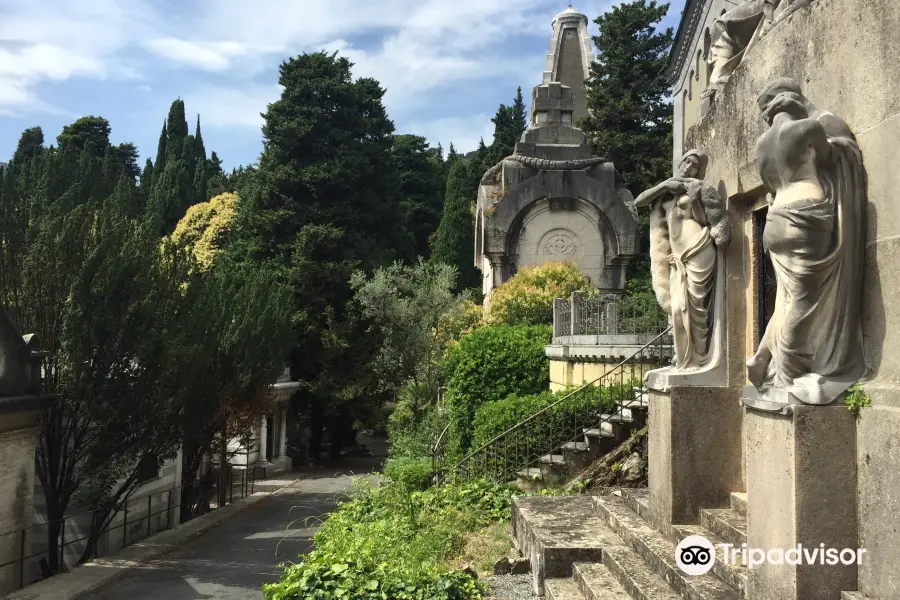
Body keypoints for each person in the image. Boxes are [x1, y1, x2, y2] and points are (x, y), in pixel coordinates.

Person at [747, 77, 865, 405]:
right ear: (794, 101)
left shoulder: (761, 145)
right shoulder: (807, 128)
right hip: (806, 214)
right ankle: (787, 370)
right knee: (804, 299)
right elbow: (834, 153)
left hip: (775, 220)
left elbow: (769, 184)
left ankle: (763, 354)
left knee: (786, 295)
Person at [635, 150, 730, 370]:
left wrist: (695, 198)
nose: (689, 166)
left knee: (696, 309)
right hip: (677, 257)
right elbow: (639, 201)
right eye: (687, 161)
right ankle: (685, 357)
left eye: (695, 165)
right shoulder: (665, 193)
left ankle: (698, 357)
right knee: (678, 308)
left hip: (699, 249)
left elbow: (705, 220)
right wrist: (666, 184)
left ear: (699, 170)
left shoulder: (699, 188)